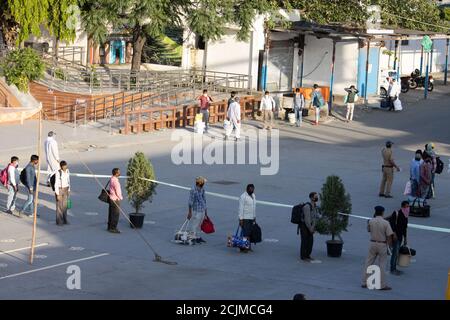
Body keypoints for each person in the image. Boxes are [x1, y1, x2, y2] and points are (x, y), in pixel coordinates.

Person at [361, 206, 395, 291]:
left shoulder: (371, 221)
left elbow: (368, 230)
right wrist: (389, 246)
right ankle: (382, 285)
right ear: (383, 212)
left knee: (368, 263)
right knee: (382, 265)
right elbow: (389, 236)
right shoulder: (385, 223)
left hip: (372, 242)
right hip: (382, 244)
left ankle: (364, 282)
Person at [388, 201, 409, 275]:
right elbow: (392, 224)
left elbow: (405, 228)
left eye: (408, 207)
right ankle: (392, 269)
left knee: (396, 253)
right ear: (402, 207)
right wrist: (394, 233)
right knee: (395, 253)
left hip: (400, 237)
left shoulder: (406, 215)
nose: (408, 208)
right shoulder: (397, 213)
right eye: (406, 207)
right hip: (395, 236)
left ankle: (394, 268)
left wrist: (405, 238)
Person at [187, 176, 208, 244]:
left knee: (200, 224)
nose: (203, 184)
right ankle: (192, 237)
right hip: (196, 210)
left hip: (202, 209)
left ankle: (197, 237)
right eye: (203, 183)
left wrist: (206, 211)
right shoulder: (193, 190)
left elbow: (204, 199)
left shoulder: (202, 189)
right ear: (199, 183)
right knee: (195, 224)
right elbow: (190, 201)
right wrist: (190, 212)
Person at [300, 192, 319, 262]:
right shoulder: (307, 207)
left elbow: (314, 217)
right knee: (304, 241)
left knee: (310, 241)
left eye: (317, 196)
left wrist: (313, 227)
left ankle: (308, 255)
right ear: (311, 198)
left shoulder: (315, 206)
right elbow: (307, 220)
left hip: (310, 226)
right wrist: (310, 229)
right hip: (304, 226)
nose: (316, 198)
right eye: (315, 197)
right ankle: (303, 256)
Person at [238, 184, 256, 253]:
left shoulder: (253, 195)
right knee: (245, 233)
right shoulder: (243, 196)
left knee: (250, 233)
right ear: (247, 189)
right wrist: (241, 219)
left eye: (253, 189)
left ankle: (248, 246)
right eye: (250, 189)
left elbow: (254, 207)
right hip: (245, 218)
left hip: (251, 217)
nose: (252, 190)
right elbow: (240, 208)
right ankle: (243, 247)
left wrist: (254, 217)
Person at [54, 161, 71, 226]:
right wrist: (57, 194)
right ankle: (59, 221)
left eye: (66, 166)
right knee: (59, 206)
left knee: (65, 205)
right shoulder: (58, 172)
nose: (65, 167)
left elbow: (68, 180)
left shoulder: (67, 171)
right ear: (61, 166)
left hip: (66, 188)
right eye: (64, 166)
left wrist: (69, 189)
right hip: (60, 189)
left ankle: (65, 220)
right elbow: (56, 183)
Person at [107, 168, 123, 233]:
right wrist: (120, 197)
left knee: (111, 213)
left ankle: (109, 226)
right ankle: (113, 228)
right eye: (119, 172)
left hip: (111, 198)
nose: (120, 173)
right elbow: (118, 191)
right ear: (116, 173)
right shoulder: (116, 181)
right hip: (115, 199)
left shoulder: (112, 179)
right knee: (116, 214)